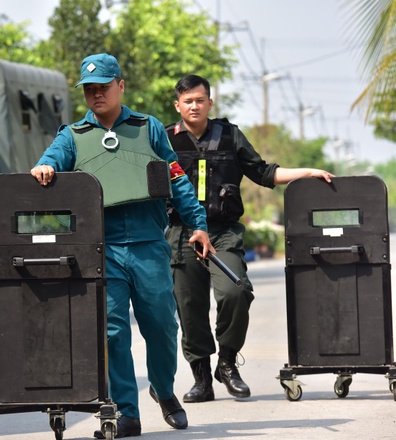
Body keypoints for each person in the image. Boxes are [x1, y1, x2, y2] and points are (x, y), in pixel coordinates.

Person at [30, 54, 213, 438]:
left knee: (162, 326)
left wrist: (197, 225)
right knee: (113, 333)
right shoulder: (73, 135)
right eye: (89, 89)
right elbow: (51, 160)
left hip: (148, 245)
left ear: (121, 86)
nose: (96, 94)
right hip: (103, 249)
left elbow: (176, 177)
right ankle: (126, 413)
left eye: (104, 87)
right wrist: (45, 166)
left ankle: (164, 390)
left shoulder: (147, 128)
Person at [164, 74, 334, 403]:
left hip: (223, 233)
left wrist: (307, 172)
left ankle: (226, 363)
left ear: (210, 103)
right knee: (189, 306)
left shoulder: (229, 136)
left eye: (200, 100)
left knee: (235, 290)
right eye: (188, 101)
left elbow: (264, 172)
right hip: (183, 233)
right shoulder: (165, 139)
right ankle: (202, 378)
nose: (194, 106)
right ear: (178, 105)